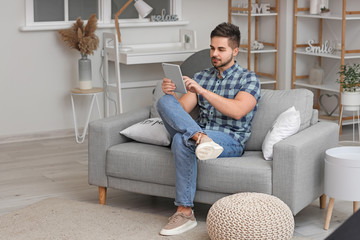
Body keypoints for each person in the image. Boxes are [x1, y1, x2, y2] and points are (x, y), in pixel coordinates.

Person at [156, 22, 261, 236]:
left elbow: (238, 111)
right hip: (201, 134)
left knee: (180, 140)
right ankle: (199, 137)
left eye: (221, 49)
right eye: (212, 48)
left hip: (230, 139)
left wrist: (203, 92)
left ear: (235, 51)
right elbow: (181, 111)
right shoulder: (202, 76)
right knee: (164, 103)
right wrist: (170, 93)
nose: (215, 54)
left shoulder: (248, 78)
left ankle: (184, 212)